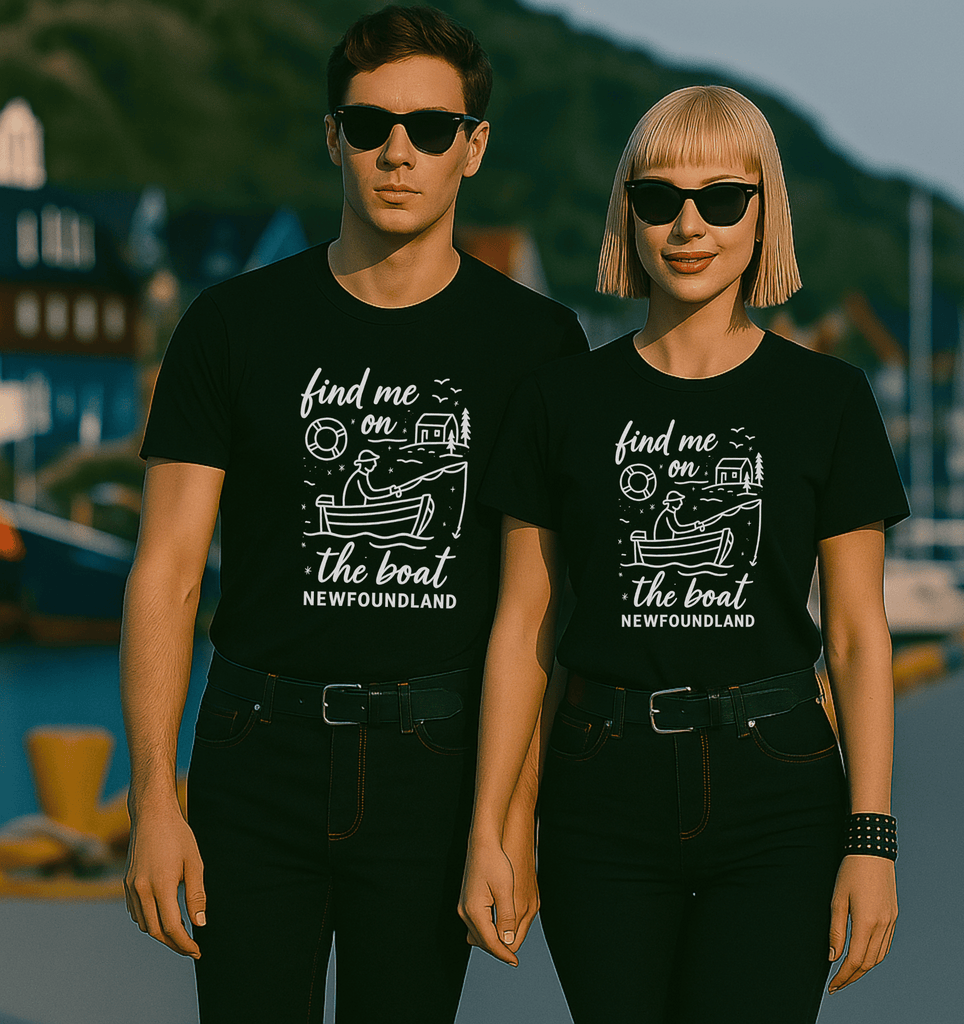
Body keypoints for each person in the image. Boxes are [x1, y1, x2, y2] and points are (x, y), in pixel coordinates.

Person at [120, 6, 586, 1023]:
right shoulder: (230, 326)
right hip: (256, 752)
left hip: (436, 765)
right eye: (371, 125)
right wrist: (154, 798)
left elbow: (539, 610)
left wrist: (512, 818)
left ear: (473, 146)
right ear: (334, 137)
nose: (398, 152)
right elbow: (167, 573)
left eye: (430, 128)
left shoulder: (538, 346)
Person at [459, 85, 908, 1024]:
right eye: (659, 198)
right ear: (628, 214)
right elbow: (524, 629)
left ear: (764, 213)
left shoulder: (828, 399)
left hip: (779, 790)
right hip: (599, 792)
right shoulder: (559, 402)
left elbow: (858, 637)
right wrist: (493, 830)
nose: (689, 225)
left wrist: (871, 841)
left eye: (722, 199)